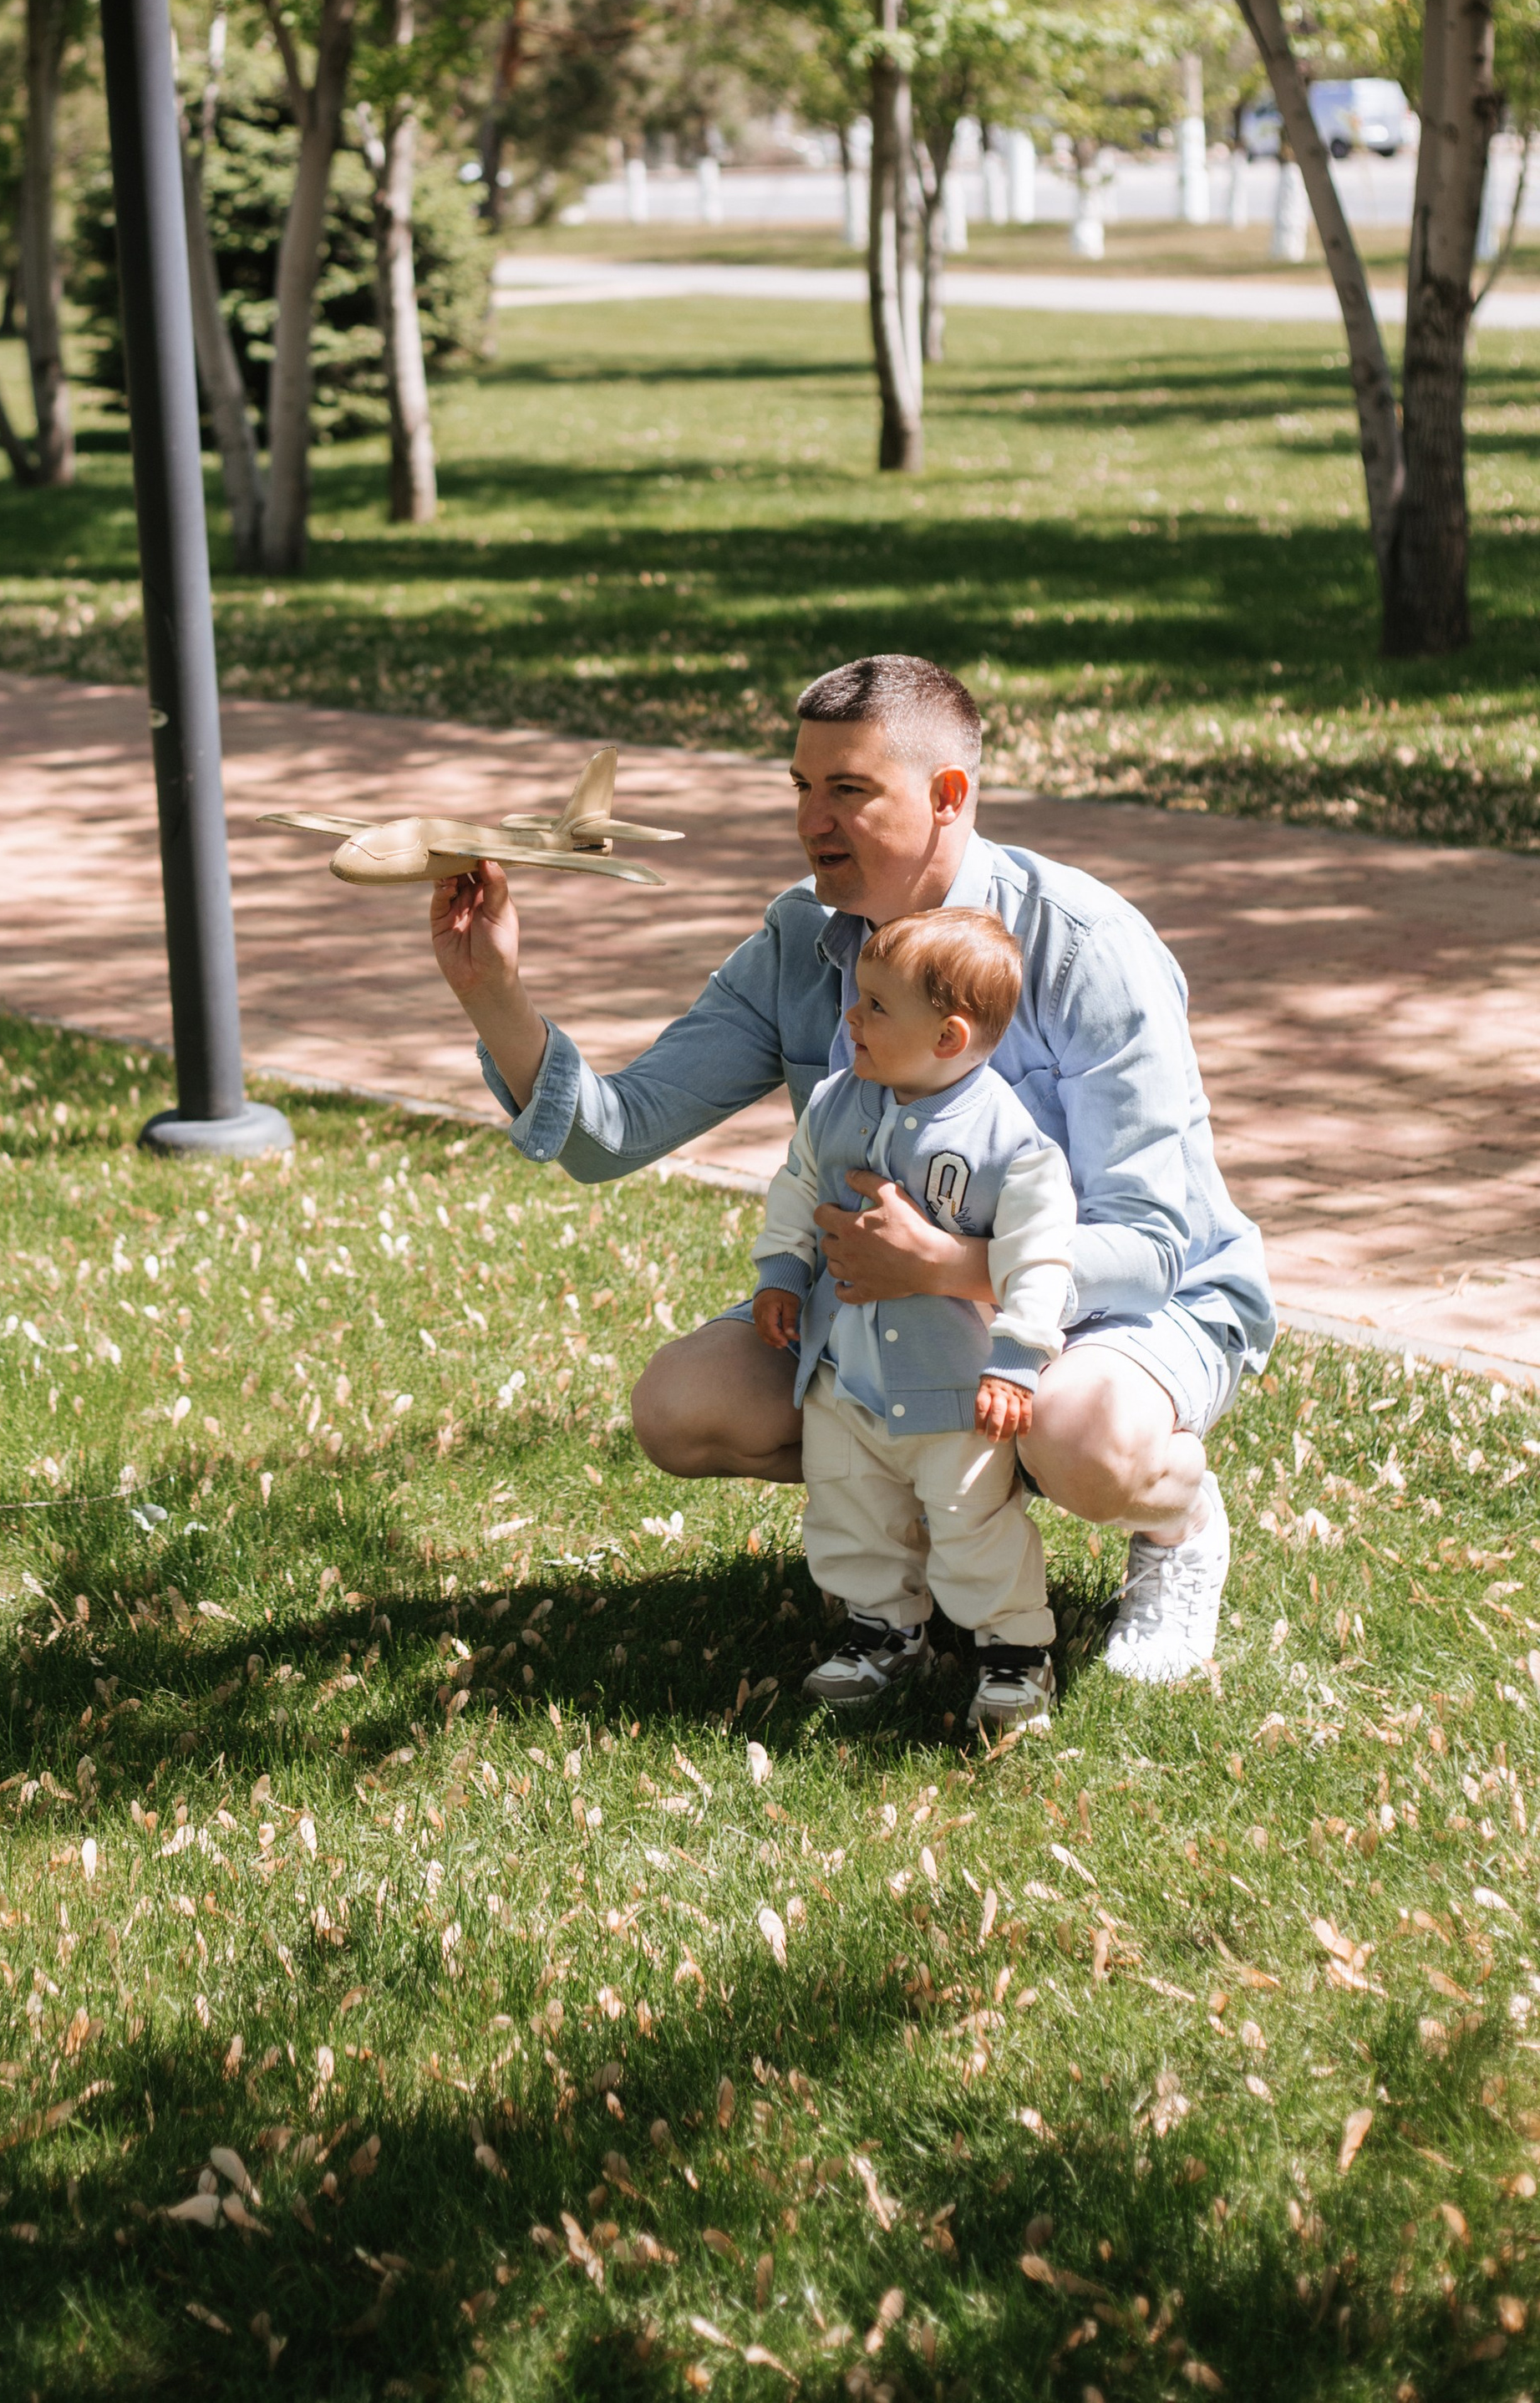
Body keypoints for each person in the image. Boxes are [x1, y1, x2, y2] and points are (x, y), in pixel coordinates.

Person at [429, 653, 1273, 1685]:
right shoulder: (801, 939)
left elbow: (1153, 1248)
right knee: (682, 1406)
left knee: (1081, 1439)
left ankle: (1177, 1524)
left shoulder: (1085, 946)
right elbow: (614, 1134)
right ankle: (910, 1539)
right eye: (800, 786)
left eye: (849, 791)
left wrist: (953, 1269)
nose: (810, 821)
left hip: (1117, 1316)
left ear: (947, 795)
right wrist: (493, 994)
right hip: (888, 1318)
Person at [754, 906, 1075, 1730]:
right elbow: (799, 1182)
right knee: (847, 1508)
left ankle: (1013, 1653)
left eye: (873, 1007)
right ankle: (882, 1633)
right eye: (856, 998)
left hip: (954, 1387)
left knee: (971, 1522)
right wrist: (784, 1272)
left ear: (947, 1037)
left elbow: (1036, 1260)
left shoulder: (1011, 1144)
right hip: (846, 1372)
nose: (849, 1018)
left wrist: (1015, 1358)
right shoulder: (837, 1100)